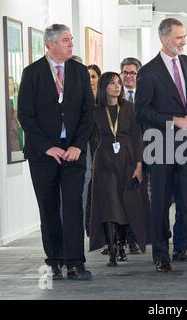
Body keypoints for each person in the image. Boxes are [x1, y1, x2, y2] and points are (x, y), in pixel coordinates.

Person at [135, 18, 187, 272]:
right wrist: (174, 121)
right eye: (179, 37)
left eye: (184, 36)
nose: (183, 41)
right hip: (159, 144)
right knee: (160, 203)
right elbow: (142, 112)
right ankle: (162, 257)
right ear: (164, 38)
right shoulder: (148, 72)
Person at [17, 24, 94, 280]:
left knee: (73, 207)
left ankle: (75, 262)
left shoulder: (79, 71)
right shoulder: (32, 73)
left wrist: (77, 145)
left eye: (71, 40)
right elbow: (25, 115)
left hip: (73, 152)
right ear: (49, 44)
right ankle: (55, 261)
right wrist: (47, 147)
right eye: (65, 40)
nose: (71, 44)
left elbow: (88, 113)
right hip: (43, 155)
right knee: (48, 208)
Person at [88, 72, 150, 267]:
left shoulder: (130, 108)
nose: (117, 86)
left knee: (126, 203)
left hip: (128, 159)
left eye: (118, 83)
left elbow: (137, 137)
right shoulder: (95, 110)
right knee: (110, 202)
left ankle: (122, 244)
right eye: (112, 83)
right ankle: (112, 249)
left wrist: (139, 165)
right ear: (103, 87)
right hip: (104, 160)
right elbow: (89, 136)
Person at [120, 57, 144, 255]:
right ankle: (122, 239)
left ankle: (136, 238)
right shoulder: (113, 97)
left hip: (144, 152)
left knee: (141, 198)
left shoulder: (144, 97)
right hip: (120, 156)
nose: (128, 76)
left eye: (132, 73)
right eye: (125, 72)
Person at [84, 64, 101, 239]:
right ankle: (91, 228)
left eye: (93, 76)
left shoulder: (103, 101)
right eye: (87, 76)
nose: (90, 80)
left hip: (102, 147)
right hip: (87, 147)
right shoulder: (82, 99)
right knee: (89, 190)